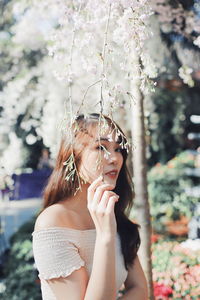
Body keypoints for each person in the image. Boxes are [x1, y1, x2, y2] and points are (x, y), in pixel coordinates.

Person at [32, 113, 148, 300]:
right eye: (101, 147)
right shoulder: (52, 223)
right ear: (73, 156)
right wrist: (105, 236)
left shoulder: (114, 215)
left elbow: (139, 289)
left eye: (118, 148)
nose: (115, 159)